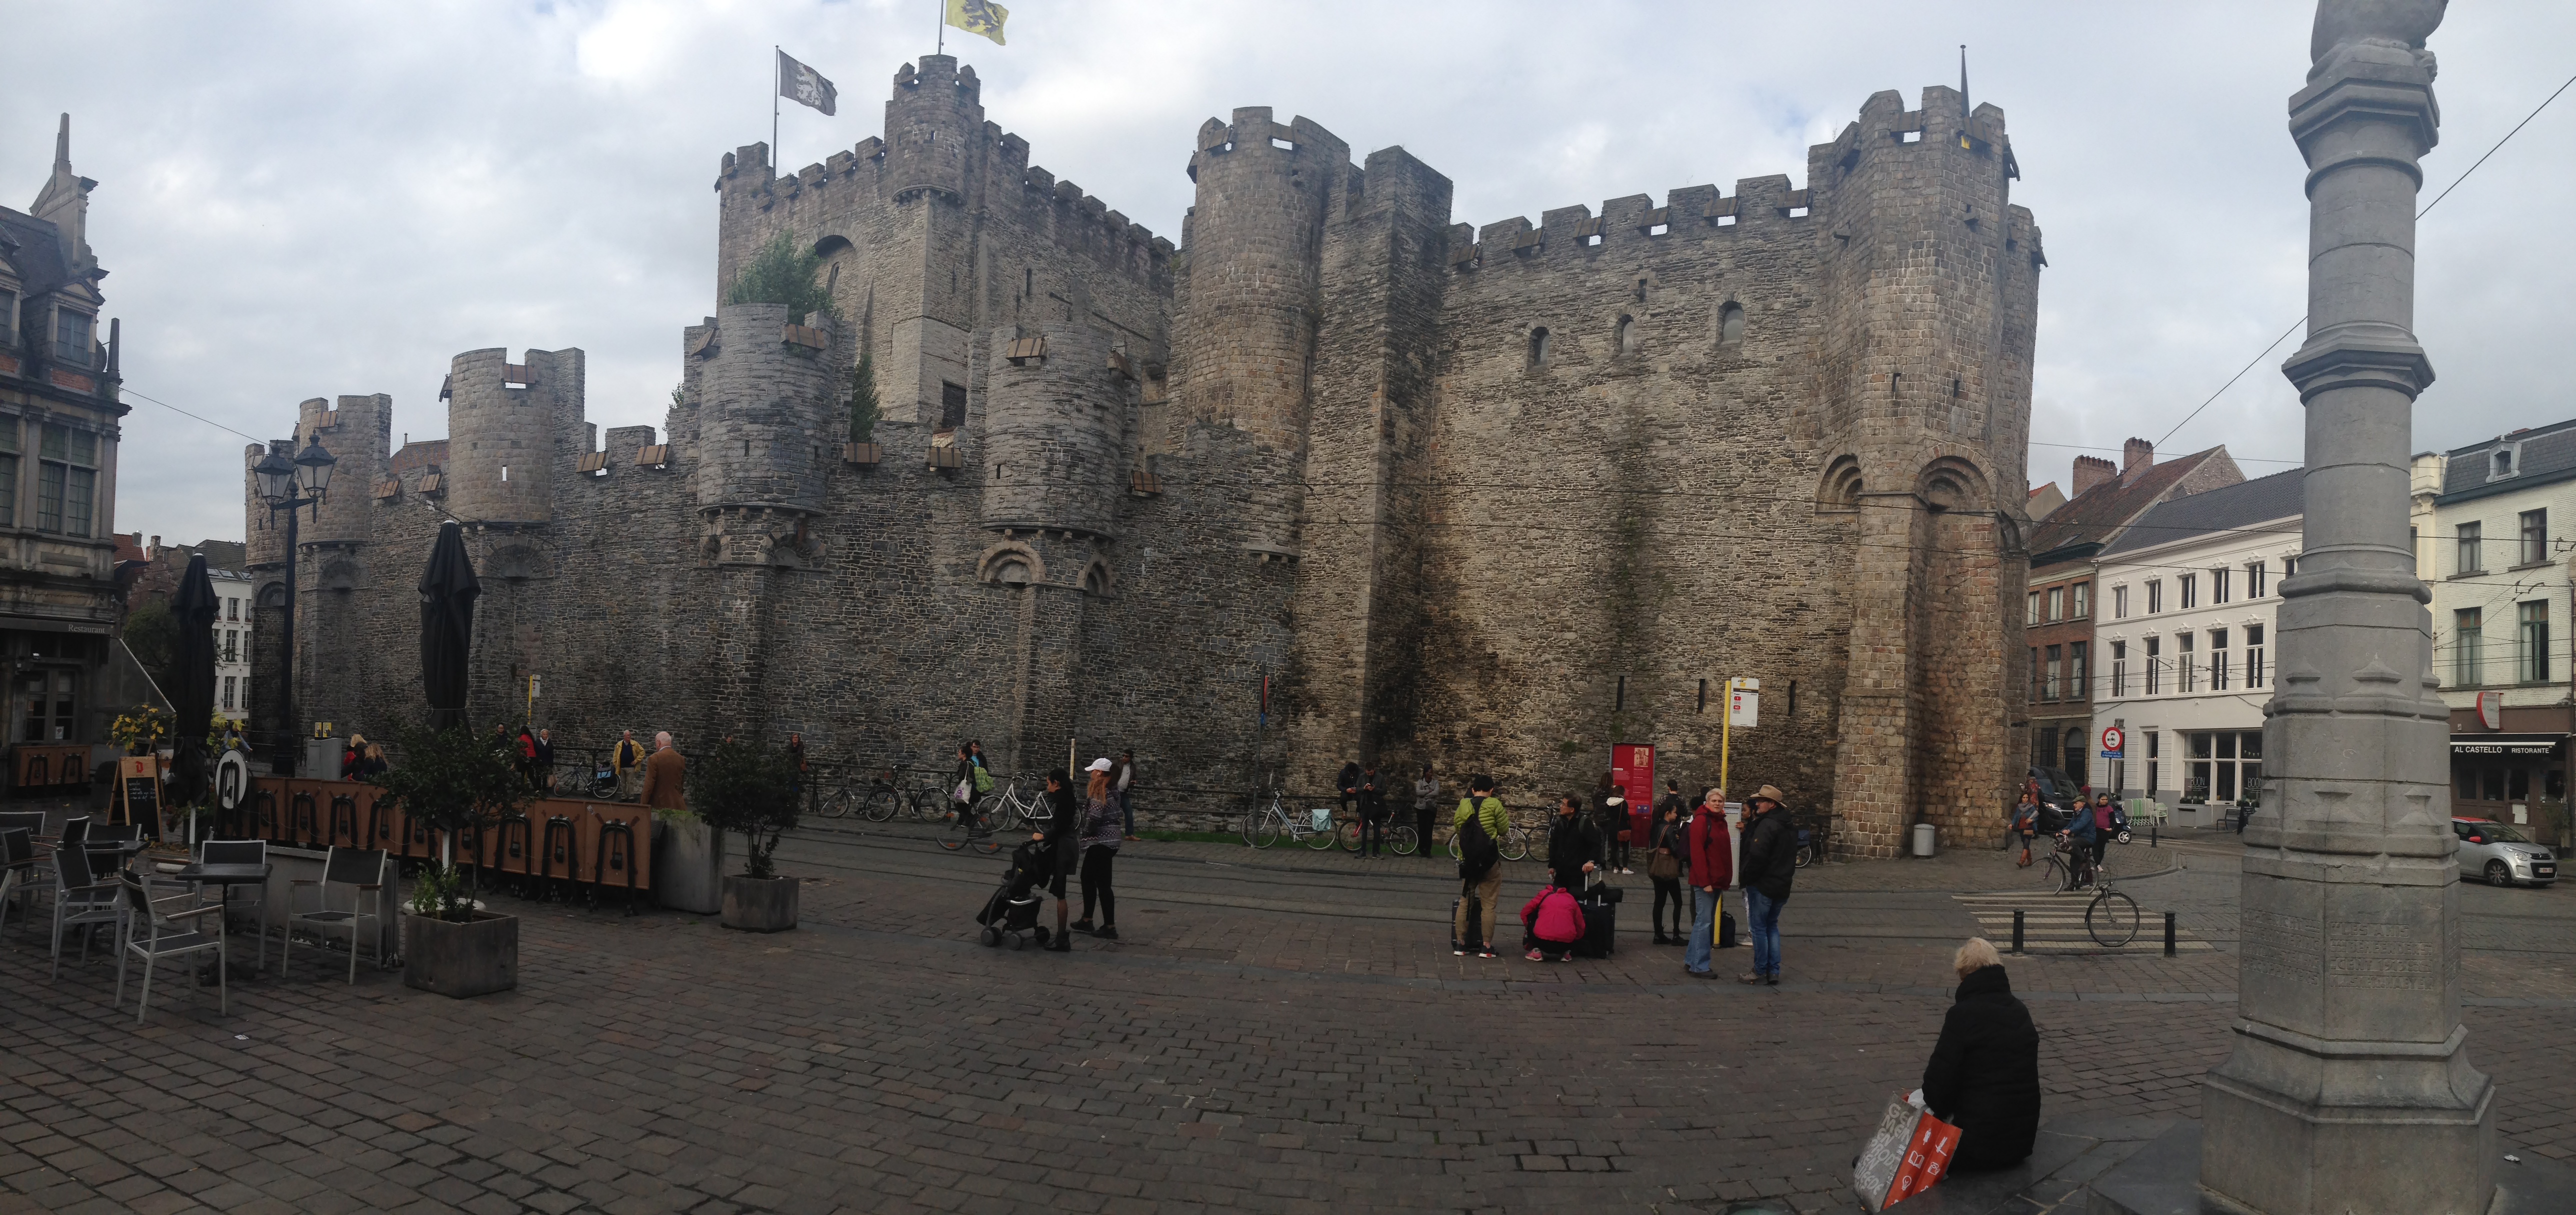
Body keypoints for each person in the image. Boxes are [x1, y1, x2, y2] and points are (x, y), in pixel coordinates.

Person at [1919, 938, 2041, 1170]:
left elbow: (1937, 1091)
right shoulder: (2020, 1010)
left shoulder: (1962, 1015)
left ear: (1964, 974)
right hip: (2020, 1143)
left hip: (1976, 1147)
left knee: (1918, 1109)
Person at [1738, 785, 1794, 985]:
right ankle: (1774, 970)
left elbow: (1757, 855)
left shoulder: (1767, 825)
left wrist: (1748, 877)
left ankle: (1760, 968)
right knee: (1772, 926)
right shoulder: (1788, 825)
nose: (1757, 804)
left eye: (1761, 801)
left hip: (1763, 884)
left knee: (1759, 928)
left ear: (1772, 805)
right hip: (1782, 883)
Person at [1452, 776, 1510, 958]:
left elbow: (1458, 829)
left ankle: (1460, 944)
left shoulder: (1463, 805)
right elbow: (1504, 830)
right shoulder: (1495, 805)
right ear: (1491, 790)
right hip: (1488, 862)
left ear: (1473, 789)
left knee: (1465, 902)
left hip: (1467, 861)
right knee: (1489, 905)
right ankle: (1486, 947)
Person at [1684, 787, 1735, 978]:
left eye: (1720, 801)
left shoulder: (1721, 821)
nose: (1717, 804)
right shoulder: (1701, 821)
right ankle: (1700, 966)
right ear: (1707, 803)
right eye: (1714, 801)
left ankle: (1692, 960)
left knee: (1704, 921)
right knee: (1704, 923)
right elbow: (1697, 854)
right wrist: (1705, 881)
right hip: (1705, 881)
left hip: (1717, 880)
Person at [1072, 758, 1120, 939]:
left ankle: (1108, 926)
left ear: (1099, 773)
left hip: (1100, 842)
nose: (1091, 774)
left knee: (1100, 883)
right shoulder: (1113, 789)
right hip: (1111, 840)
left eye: (1093, 771)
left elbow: (1095, 816)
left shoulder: (1100, 790)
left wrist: (1086, 831)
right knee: (1090, 878)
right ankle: (1088, 919)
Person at [1036, 768, 1078, 951]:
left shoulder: (1062, 800)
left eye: (1049, 783)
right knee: (1059, 890)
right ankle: (1061, 936)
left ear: (1057, 784)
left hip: (1064, 848)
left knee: (1061, 893)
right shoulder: (1067, 797)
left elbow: (1060, 825)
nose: (1048, 787)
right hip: (1065, 846)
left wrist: (1044, 836)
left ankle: (1062, 938)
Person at [1647, 797, 1688, 945]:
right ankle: (1676, 934)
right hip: (1668, 870)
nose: (1676, 815)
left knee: (1659, 902)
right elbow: (1675, 850)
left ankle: (1658, 934)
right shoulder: (1669, 829)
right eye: (1675, 813)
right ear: (1668, 813)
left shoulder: (1656, 826)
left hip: (1657, 868)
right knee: (1678, 902)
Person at [1548, 794, 1604, 894]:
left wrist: (1591, 861)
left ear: (1572, 810)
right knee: (1557, 899)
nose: (1561, 806)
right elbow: (1554, 844)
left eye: (1564, 804)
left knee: (1575, 900)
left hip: (1577, 873)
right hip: (1561, 871)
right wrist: (1552, 865)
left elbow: (1595, 844)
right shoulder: (1560, 822)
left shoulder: (1584, 823)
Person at [1520, 882, 1586, 962]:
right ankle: (1566, 953)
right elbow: (1580, 924)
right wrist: (1575, 939)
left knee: (1533, 917)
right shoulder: (1570, 898)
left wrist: (1528, 927)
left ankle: (1537, 951)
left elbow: (1525, 913)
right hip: (1566, 944)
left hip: (1542, 942)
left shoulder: (1544, 894)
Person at [1594, 772, 1631, 874]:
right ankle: (1615, 863)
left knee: (1602, 842)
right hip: (1610, 821)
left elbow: (1594, 804)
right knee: (1615, 843)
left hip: (1599, 819)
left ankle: (1602, 862)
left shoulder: (1596, 791)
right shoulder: (1612, 793)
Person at [638, 732, 686, 812]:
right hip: (677, 804)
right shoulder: (680, 759)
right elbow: (681, 782)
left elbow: (649, 785)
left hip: (660, 805)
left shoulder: (655, 758)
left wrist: (643, 805)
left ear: (658, 743)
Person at [2060, 797, 2100, 890]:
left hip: (2089, 838)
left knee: (2073, 843)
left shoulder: (2086, 812)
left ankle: (2084, 861)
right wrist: (2060, 832)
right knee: (2073, 861)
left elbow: (2082, 824)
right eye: (2074, 803)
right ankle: (2074, 884)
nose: (2074, 805)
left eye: (2076, 803)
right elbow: (2070, 825)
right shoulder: (2076, 814)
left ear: (2082, 803)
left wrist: (2070, 831)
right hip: (2080, 838)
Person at [1355, 762, 1387, 859]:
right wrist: (1364, 788)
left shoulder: (1380, 777)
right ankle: (1363, 851)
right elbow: (1357, 789)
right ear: (1365, 771)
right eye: (1368, 773)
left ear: (1374, 770)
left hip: (1376, 805)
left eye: (1371, 773)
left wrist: (1374, 789)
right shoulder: (1362, 777)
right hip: (1365, 804)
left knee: (1377, 829)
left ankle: (1376, 852)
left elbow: (1384, 791)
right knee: (1364, 829)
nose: (1369, 775)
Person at [1412, 764, 1440, 854]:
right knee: (1422, 829)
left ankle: (1428, 850)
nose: (1431, 774)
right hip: (1421, 808)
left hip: (1431, 809)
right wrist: (1428, 791)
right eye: (1429, 772)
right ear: (1425, 773)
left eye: (1432, 772)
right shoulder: (1420, 782)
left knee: (1429, 830)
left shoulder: (1436, 783)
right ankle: (1422, 849)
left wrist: (1425, 795)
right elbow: (1418, 792)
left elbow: (1436, 793)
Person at [612, 730, 648, 801]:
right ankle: (624, 797)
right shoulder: (619, 745)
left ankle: (631, 797)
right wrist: (615, 763)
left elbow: (642, 751)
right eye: (628, 735)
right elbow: (616, 755)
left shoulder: (634, 744)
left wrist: (636, 760)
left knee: (630, 782)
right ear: (624, 736)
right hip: (622, 766)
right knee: (623, 783)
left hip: (630, 767)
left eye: (630, 735)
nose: (629, 736)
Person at [2011, 789, 2042, 868]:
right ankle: (2030, 860)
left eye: (2027, 798)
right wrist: (2012, 824)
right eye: (2024, 798)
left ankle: (2022, 861)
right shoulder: (2019, 807)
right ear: (2022, 798)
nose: (2025, 799)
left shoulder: (2031, 807)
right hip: (2021, 827)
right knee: (2025, 844)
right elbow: (2015, 817)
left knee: (2026, 844)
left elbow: (2037, 816)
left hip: (2029, 827)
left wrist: (2032, 820)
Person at [1114, 750, 1138, 840]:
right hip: (1114, 792)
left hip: (1124, 793)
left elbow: (1133, 779)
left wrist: (1133, 783)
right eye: (1123, 755)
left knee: (1129, 812)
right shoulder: (1117, 763)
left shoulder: (1133, 767)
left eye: (1127, 756)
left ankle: (1129, 834)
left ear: (1131, 758)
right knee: (1112, 813)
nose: (1124, 758)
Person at [1336, 760, 1363, 825]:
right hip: (1347, 790)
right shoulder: (1343, 773)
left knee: (1361, 798)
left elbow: (1363, 784)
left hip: (1357, 791)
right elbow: (1339, 785)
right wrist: (1346, 789)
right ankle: (1345, 810)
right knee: (1343, 798)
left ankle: (1358, 811)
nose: (1351, 775)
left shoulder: (1360, 773)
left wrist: (1358, 789)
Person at [534, 728, 556, 794]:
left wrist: (551, 763)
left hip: (547, 761)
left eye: (547, 735)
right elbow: (536, 752)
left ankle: (544, 789)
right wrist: (537, 760)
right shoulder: (537, 742)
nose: (545, 736)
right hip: (539, 761)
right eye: (544, 735)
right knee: (538, 776)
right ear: (541, 735)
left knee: (545, 777)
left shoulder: (550, 743)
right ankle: (538, 789)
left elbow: (551, 754)